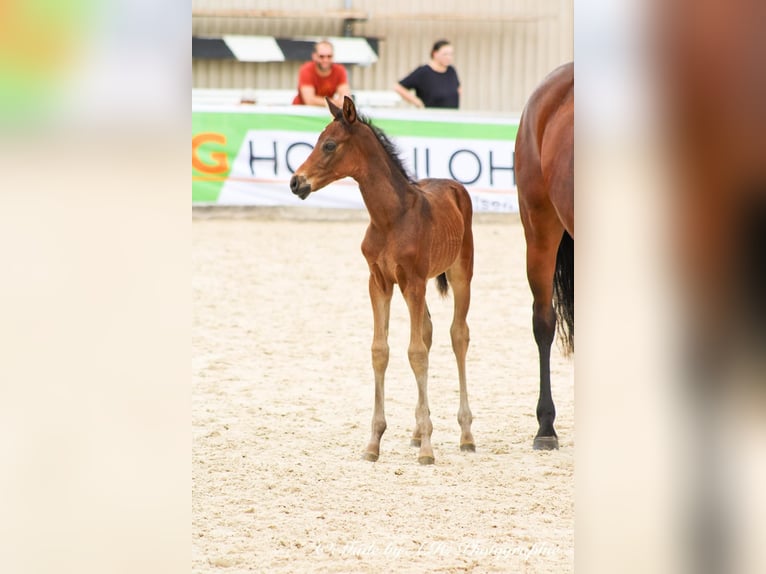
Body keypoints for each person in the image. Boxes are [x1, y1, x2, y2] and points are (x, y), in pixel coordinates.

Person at [394, 40, 461, 109]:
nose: (449, 57)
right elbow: (398, 87)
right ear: (435, 53)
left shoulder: (451, 70)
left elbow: (458, 87)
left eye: (451, 54)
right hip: (431, 116)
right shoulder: (423, 72)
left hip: (451, 115)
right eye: (445, 54)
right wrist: (417, 102)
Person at [292, 40, 351, 107]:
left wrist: (340, 102)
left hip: (325, 111)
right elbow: (309, 100)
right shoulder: (306, 70)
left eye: (329, 56)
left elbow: (346, 97)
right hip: (302, 111)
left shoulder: (339, 70)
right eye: (321, 56)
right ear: (314, 56)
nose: (325, 60)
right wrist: (335, 103)